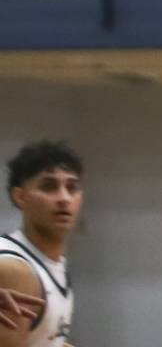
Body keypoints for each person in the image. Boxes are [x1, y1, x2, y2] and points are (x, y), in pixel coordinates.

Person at [0, 141, 81, 347]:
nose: (64, 198)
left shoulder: (53, 264)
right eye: (49, 186)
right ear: (20, 197)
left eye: (72, 188)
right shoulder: (15, 271)